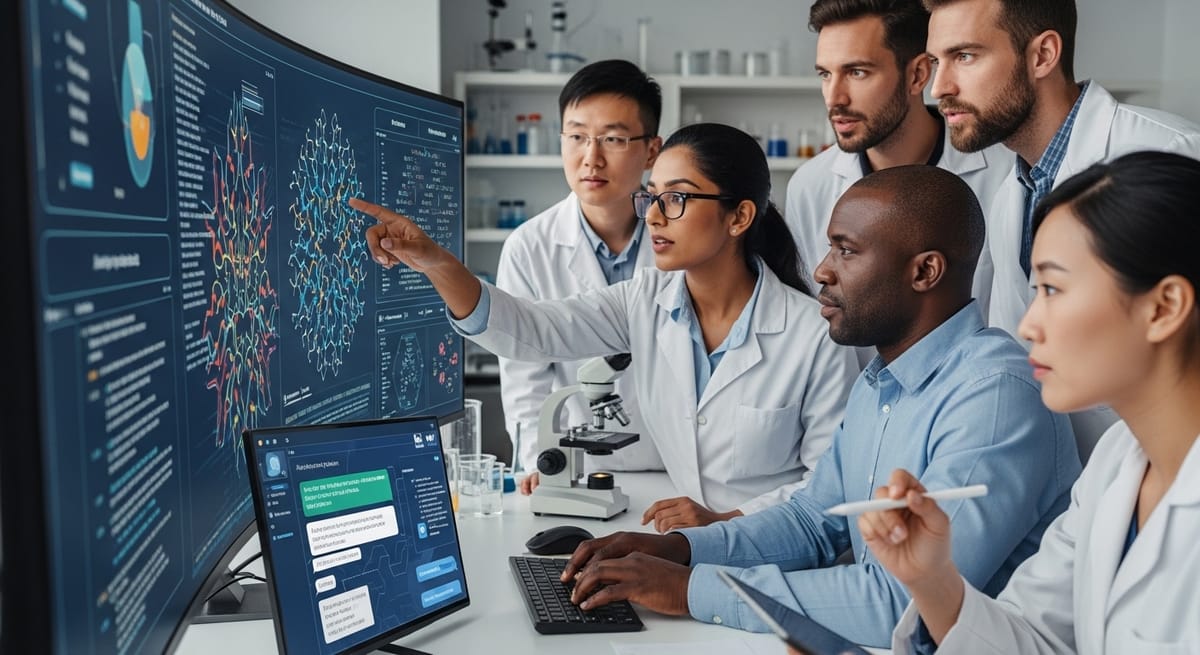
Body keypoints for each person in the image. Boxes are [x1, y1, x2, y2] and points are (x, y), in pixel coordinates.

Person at [559, 165, 1080, 648]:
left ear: (925, 272)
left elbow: (906, 604)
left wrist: (691, 589)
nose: (823, 272)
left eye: (846, 251)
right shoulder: (881, 380)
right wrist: (684, 549)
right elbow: (815, 521)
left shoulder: (993, 393)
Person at [358, 123, 857, 528]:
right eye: (652, 197)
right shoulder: (644, 298)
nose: (655, 217)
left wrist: (727, 520)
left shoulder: (814, 337)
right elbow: (535, 329)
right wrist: (436, 263)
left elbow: (830, 489)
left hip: (776, 558)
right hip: (684, 547)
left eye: (677, 199)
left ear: (739, 217)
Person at [864, 152, 1200, 654]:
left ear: (1164, 307)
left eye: (1052, 288)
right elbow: (1038, 639)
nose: (1028, 325)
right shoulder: (1115, 464)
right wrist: (931, 578)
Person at [923, 0, 1200, 458]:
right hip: (1072, 488)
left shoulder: (1170, 152)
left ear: (1043, 55)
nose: (938, 88)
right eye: (936, 62)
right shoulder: (1009, 192)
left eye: (964, 56)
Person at [495, 60, 665, 494]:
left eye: (613, 138)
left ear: (651, 150)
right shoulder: (529, 246)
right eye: (576, 137)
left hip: (679, 468)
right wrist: (539, 462)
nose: (591, 157)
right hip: (576, 469)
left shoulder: (685, 236)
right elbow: (524, 379)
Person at [786, 0, 1009, 317]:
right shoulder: (810, 186)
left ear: (918, 75)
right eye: (825, 74)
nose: (834, 97)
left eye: (857, 72)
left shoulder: (1003, 173)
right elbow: (813, 319)